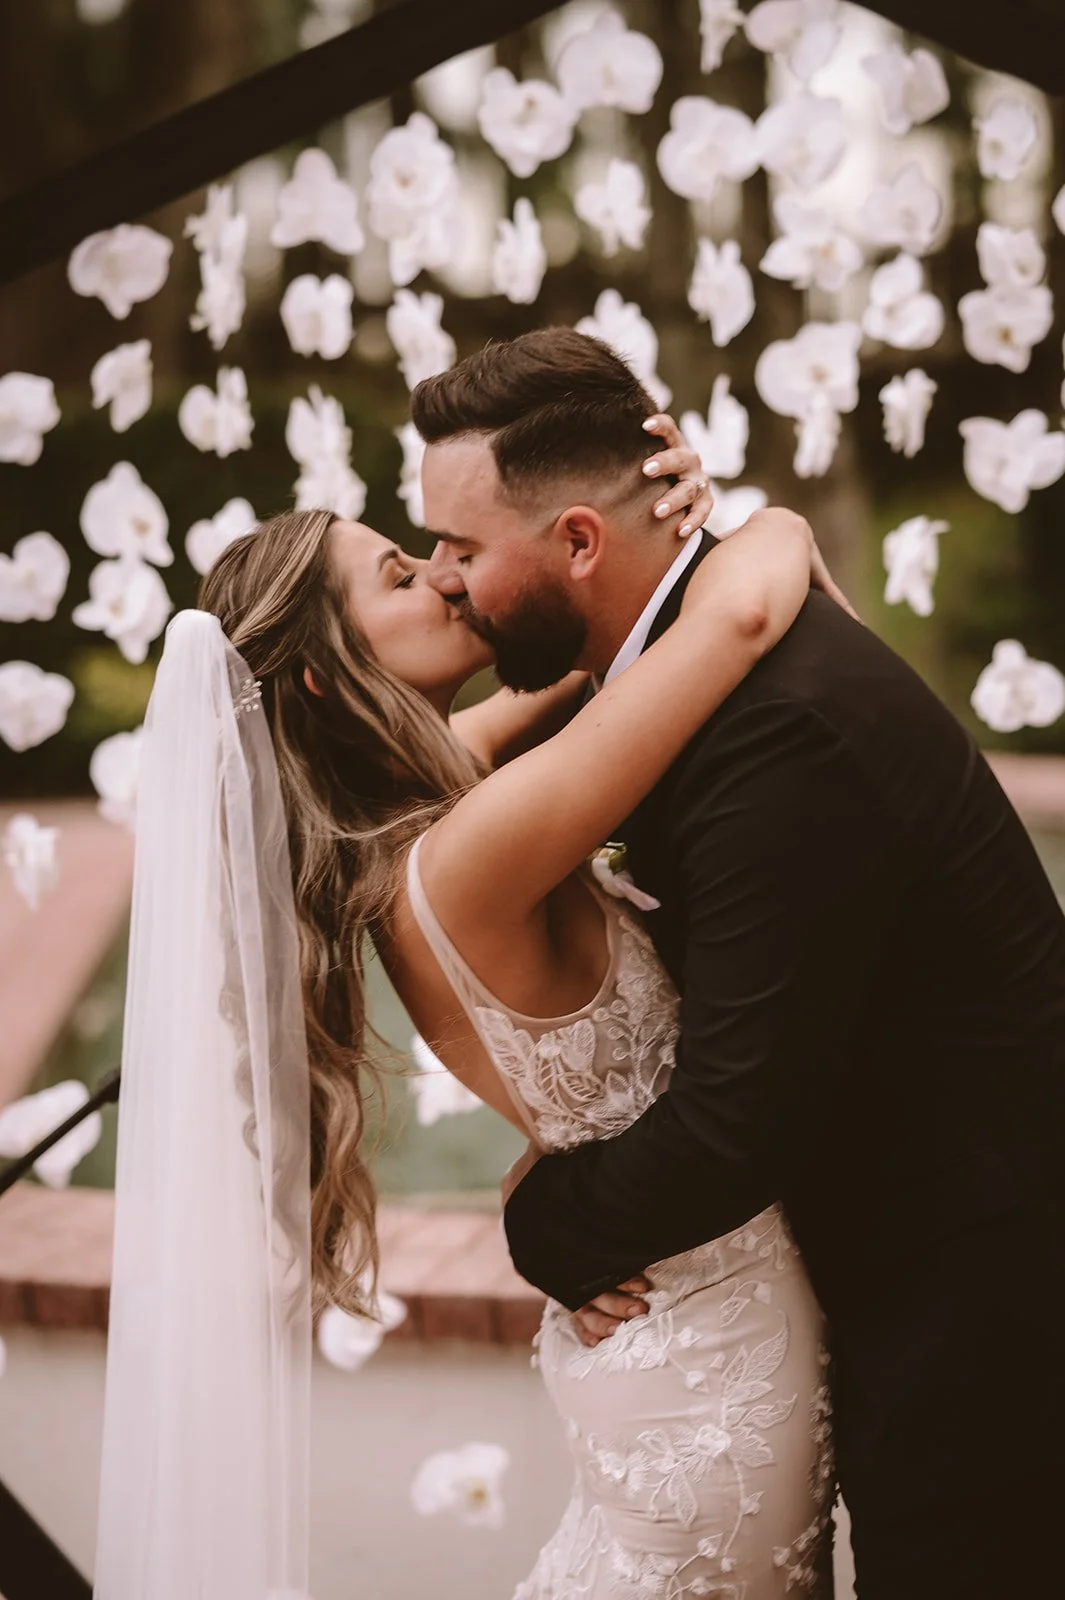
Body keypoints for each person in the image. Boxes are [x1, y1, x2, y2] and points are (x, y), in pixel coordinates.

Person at [411, 328, 1065, 1600]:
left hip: (986, 1304)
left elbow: (735, 1122)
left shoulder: (781, 727)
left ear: (580, 545)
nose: (448, 582)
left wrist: (542, 1221)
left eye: (462, 549)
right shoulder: (687, 673)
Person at [185, 413, 853, 1593]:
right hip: (699, 1361)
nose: (444, 572)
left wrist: (648, 522)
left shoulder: (417, 820)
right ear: (323, 672)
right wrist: (766, 518)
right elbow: (741, 616)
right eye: (400, 573)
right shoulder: (473, 848)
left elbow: (592, 669)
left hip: (664, 1320)